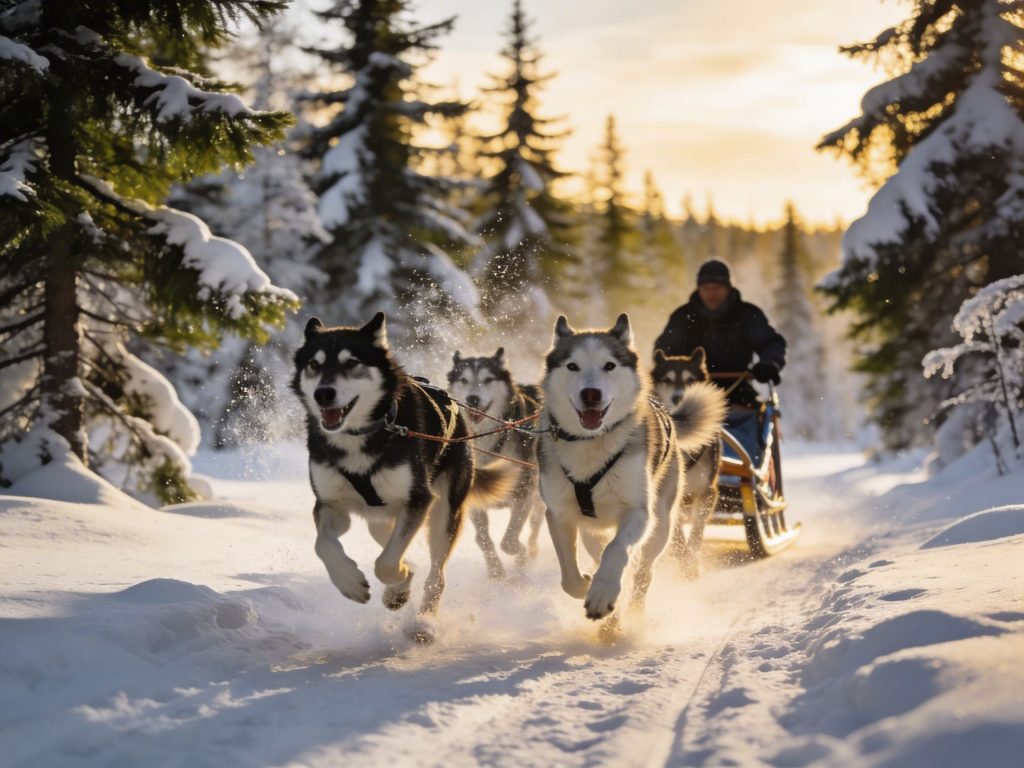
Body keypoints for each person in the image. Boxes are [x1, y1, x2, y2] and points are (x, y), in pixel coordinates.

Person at [653, 258, 787, 464]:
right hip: (690, 393)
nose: (712, 293)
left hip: (738, 393)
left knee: (747, 429)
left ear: (728, 288)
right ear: (698, 289)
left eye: (717, 287)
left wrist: (769, 364)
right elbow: (664, 350)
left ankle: (742, 468)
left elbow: (771, 343)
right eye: (706, 288)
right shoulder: (683, 316)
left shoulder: (747, 315)